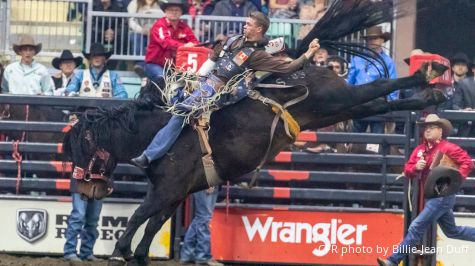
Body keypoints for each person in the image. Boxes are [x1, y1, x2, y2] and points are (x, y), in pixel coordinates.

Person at [131, 11, 320, 168]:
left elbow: (287, 68)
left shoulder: (257, 55)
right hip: (207, 84)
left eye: (248, 24)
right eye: (245, 23)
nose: (245, 26)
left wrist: (308, 54)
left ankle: (149, 156)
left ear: (259, 29)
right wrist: (196, 79)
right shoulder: (234, 40)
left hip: (225, 91)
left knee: (180, 111)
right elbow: (213, 58)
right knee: (174, 100)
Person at [377, 114, 475, 266]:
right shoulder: (419, 150)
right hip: (435, 196)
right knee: (452, 231)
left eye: (431, 128)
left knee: (417, 226)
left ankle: (392, 260)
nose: (427, 131)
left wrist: (455, 181)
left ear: (440, 131)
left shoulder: (448, 147)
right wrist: (416, 167)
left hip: (442, 195)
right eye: (425, 128)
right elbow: (407, 169)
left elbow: (467, 163)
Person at [348, 26, 397, 134]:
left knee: (376, 141)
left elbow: (393, 86)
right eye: (369, 39)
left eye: (375, 38)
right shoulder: (357, 59)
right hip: (359, 104)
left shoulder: (388, 62)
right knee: (354, 138)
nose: (372, 41)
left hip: (378, 106)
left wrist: (389, 105)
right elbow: (350, 83)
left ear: (382, 40)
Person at [144, 0, 199, 82]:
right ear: (165, 12)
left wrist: (192, 45)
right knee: (162, 80)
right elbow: (165, 42)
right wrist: (184, 46)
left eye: (177, 10)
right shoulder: (159, 25)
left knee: (187, 82)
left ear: (181, 13)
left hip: (175, 66)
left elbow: (195, 42)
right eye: (170, 10)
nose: (174, 12)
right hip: (155, 64)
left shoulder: (185, 27)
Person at [179, 187, 223, 266]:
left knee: (201, 218)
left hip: (209, 181)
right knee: (204, 217)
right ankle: (203, 256)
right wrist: (208, 183)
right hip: (207, 181)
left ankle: (187, 255)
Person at [63, 179, 104, 261]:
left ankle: (86, 253)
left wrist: (110, 182)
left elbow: (110, 166)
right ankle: (70, 252)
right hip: (81, 181)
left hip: (100, 182)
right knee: (78, 216)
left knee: (93, 219)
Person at [127, 0, 164, 75]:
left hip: (156, 33)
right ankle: (140, 65)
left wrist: (154, 31)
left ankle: (156, 65)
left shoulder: (162, 3)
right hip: (139, 31)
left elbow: (165, 20)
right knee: (136, 37)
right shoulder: (134, 3)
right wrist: (142, 30)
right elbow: (131, 21)